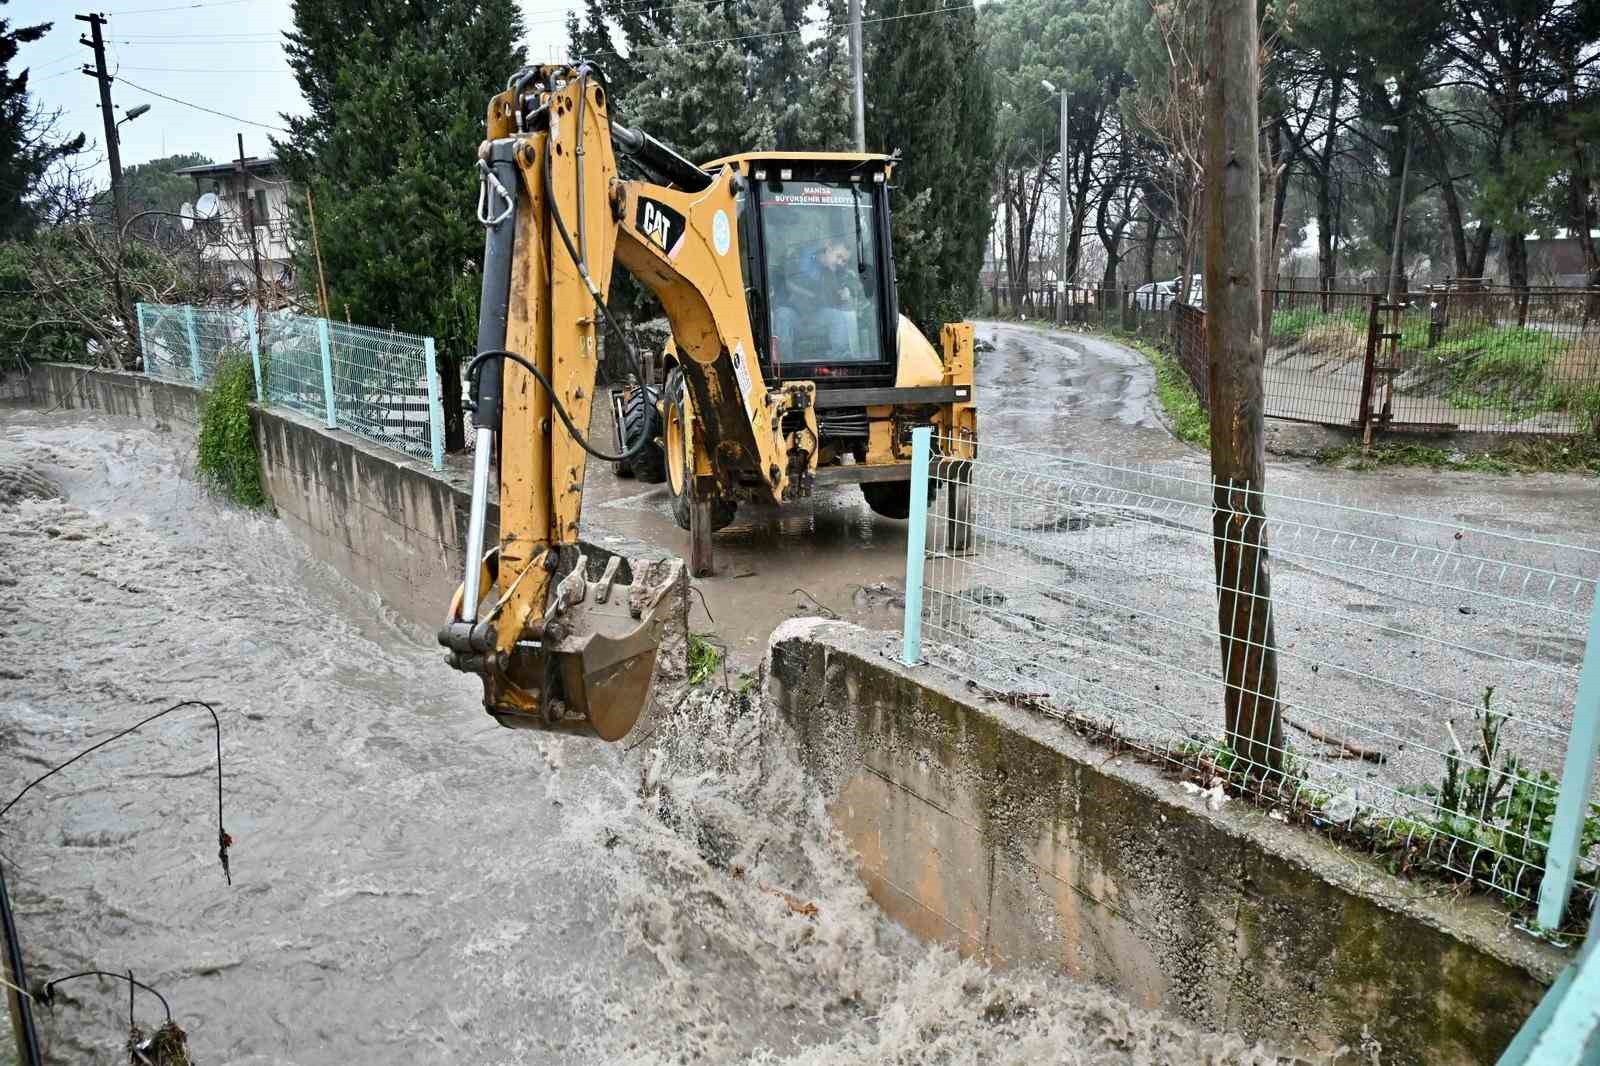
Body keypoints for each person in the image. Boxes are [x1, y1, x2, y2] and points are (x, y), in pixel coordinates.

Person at [771, 237, 864, 363]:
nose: (840, 262)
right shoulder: (800, 258)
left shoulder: (835, 270)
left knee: (837, 317)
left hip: (814, 316)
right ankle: (785, 364)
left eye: (844, 261)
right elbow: (789, 283)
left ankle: (842, 360)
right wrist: (812, 295)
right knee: (783, 314)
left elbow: (852, 280)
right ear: (828, 248)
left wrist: (848, 289)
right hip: (794, 314)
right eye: (839, 256)